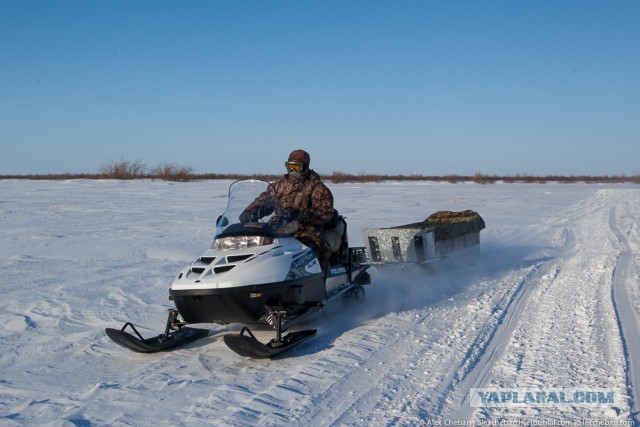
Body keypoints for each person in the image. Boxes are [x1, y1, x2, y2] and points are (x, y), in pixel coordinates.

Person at [239, 149, 336, 269]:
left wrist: (302, 214)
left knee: (311, 256)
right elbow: (263, 201)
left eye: (296, 167)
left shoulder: (317, 187)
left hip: (307, 233)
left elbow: (326, 213)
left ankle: (320, 284)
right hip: (277, 231)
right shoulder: (278, 186)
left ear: (305, 167)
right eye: (289, 166)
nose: (292, 170)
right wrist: (249, 212)